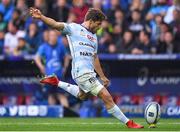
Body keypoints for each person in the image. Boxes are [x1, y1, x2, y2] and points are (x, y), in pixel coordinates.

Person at [30, 7, 144, 129]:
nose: (99, 27)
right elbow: (55, 24)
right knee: (106, 96)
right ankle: (128, 123)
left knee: (83, 96)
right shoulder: (74, 28)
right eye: (98, 24)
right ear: (91, 21)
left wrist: (102, 76)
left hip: (88, 72)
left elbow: (94, 57)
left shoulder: (94, 37)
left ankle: (56, 82)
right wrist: (41, 17)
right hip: (81, 72)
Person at [34, 29, 70, 107]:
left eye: (55, 35)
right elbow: (36, 58)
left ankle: (67, 114)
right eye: (52, 35)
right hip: (49, 75)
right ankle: (53, 115)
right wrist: (41, 67)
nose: (53, 37)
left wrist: (65, 67)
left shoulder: (61, 46)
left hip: (59, 75)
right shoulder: (44, 46)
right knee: (51, 95)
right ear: (49, 37)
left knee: (61, 95)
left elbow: (67, 56)